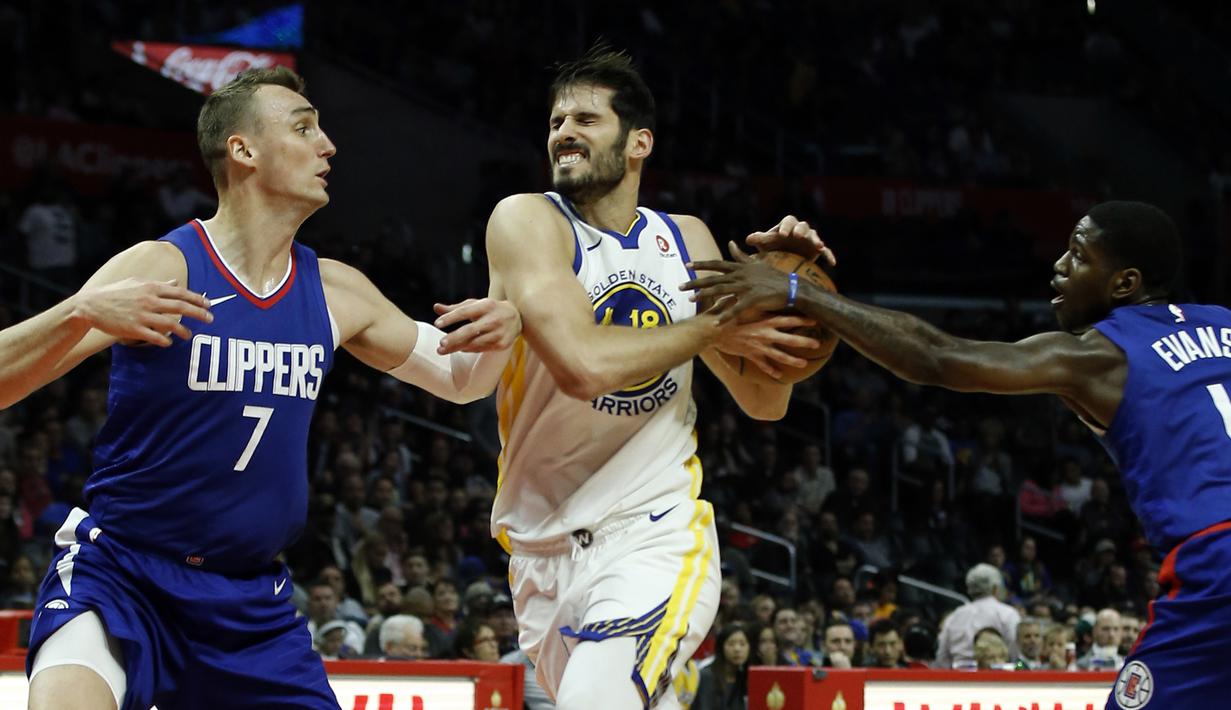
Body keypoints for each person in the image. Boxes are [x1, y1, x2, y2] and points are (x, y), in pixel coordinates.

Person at [22, 67, 521, 710]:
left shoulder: (334, 289)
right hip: (123, 576)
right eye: (304, 126)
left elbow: (461, 384)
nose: (328, 145)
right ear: (243, 150)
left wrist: (507, 321)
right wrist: (79, 312)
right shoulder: (164, 267)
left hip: (249, 604)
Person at [686, 200, 1228, 707]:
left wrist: (798, 293)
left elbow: (938, 356)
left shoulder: (1100, 354)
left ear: (1125, 283)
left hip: (1216, 560)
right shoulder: (1223, 323)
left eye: (1079, 256)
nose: (1060, 266)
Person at [483, 45, 831, 710]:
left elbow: (763, 401)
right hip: (540, 551)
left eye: (585, 119)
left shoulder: (687, 240)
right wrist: (711, 329)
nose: (563, 133)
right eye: (556, 121)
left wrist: (788, 297)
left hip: (654, 533)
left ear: (638, 142)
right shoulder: (527, 220)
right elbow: (581, 365)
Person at [931, 564, 1021, 668]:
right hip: (996, 679)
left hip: (959, 678)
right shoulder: (1007, 613)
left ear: (970, 589)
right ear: (995, 588)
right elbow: (1016, 655)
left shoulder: (954, 616)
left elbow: (941, 657)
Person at [694, 624, 750, 710]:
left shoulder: (745, 678)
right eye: (731, 644)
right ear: (721, 647)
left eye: (742, 644)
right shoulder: (706, 676)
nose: (737, 649)